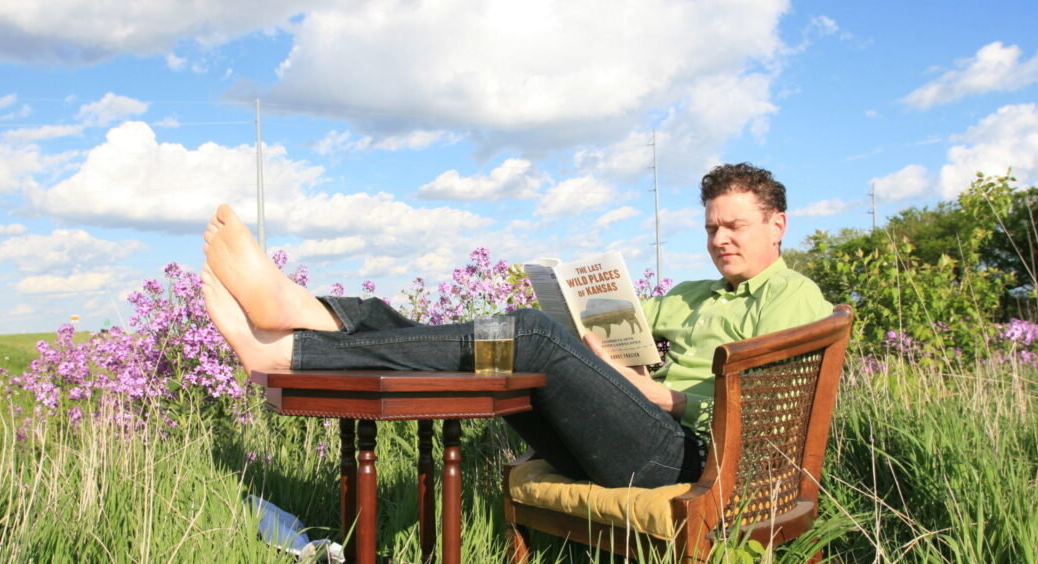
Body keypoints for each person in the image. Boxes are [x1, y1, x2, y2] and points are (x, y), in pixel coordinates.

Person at [201, 163, 830, 489]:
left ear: (777, 224)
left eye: (735, 227)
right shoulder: (695, 294)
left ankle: (294, 349)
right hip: (632, 433)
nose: (720, 239)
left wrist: (656, 393)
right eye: (711, 228)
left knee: (524, 336)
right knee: (503, 360)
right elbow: (623, 327)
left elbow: (769, 417)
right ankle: (317, 317)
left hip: (690, 459)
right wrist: (589, 325)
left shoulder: (797, 301)